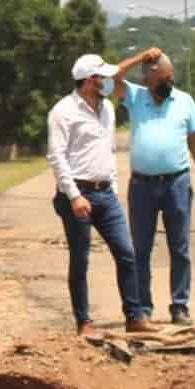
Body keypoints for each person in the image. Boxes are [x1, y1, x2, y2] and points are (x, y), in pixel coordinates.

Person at [47, 53, 146, 337]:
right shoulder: (63, 112)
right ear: (90, 80)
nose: (109, 81)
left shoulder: (107, 110)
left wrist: (112, 187)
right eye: (103, 77)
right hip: (77, 194)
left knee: (127, 253)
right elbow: (57, 157)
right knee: (80, 259)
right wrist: (75, 196)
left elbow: (109, 151)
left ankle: (135, 316)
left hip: (106, 194)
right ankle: (84, 321)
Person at [114, 47, 195, 326]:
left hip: (177, 183)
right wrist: (139, 57)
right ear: (147, 80)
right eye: (161, 81)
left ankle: (179, 305)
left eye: (171, 79)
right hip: (142, 186)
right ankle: (143, 306)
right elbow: (111, 77)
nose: (168, 86)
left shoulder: (184, 101)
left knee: (180, 248)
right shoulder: (134, 96)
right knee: (140, 249)